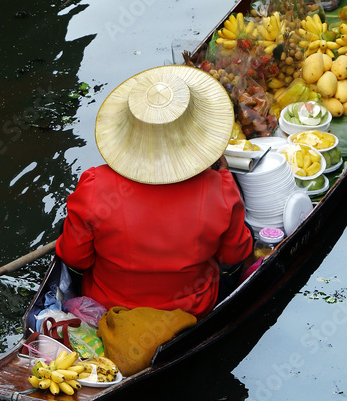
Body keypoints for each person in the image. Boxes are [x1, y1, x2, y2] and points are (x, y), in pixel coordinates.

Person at [55, 65, 253, 319]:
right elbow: (234, 253)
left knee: (67, 228)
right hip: (191, 309)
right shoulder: (220, 189)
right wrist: (225, 177)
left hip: (112, 309)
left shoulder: (94, 185)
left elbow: (75, 258)